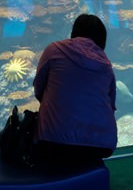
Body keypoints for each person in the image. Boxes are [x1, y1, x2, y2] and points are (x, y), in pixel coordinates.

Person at [33, 14, 117, 166]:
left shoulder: (53, 50)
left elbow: (39, 90)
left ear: (74, 31)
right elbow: (111, 106)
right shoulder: (105, 64)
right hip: (101, 145)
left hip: (53, 141)